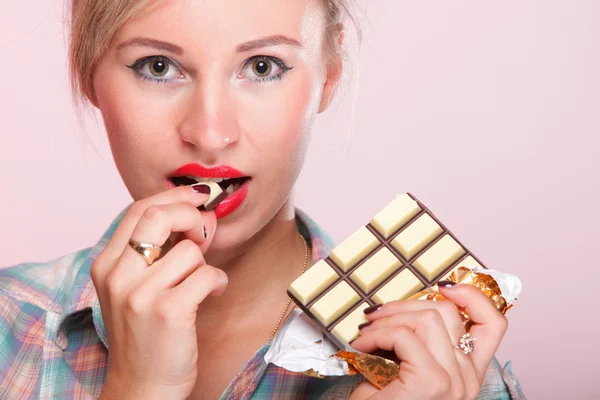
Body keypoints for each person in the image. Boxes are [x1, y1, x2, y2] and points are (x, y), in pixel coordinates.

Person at [0, 0, 525, 398]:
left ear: (329, 76)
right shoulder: (11, 323)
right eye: (157, 66)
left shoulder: (448, 376)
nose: (210, 134)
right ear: (89, 74)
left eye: (262, 67)